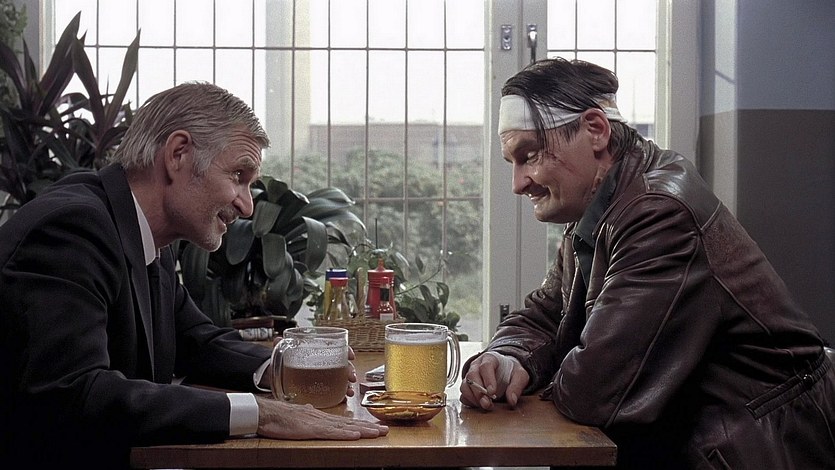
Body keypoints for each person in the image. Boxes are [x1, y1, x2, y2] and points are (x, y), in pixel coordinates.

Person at [460, 58, 835, 469]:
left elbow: (594, 391)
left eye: (529, 156)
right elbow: (548, 312)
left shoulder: (658, 213)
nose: (518, 184)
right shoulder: (602, 203)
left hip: (753, 449)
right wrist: (506, 357)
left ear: (595, 130)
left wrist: (540, 368)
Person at [0, 82, 388, 468]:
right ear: (179, 154)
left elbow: (196, 340)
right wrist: (261, 413)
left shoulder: (142, 232)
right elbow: (74, 393)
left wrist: (280, 368)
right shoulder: (73, 229)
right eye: (238, 175)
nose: (247, 206)